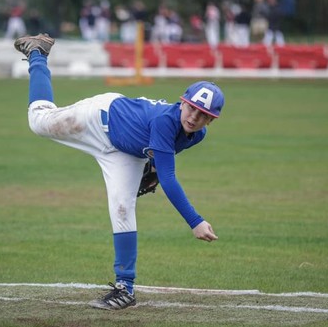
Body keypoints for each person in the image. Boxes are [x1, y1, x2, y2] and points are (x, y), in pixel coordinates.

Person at [14, 34, 224, 310]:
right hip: (99, 119)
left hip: (125, 152)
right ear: (182, 102)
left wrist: (151, 169)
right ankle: (38, 53)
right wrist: (195, 221)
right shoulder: (165, 121)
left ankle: (125, 288)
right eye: (192, 108)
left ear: (210, 120)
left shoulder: (196, 135)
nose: (194, 117)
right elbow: (169, 178)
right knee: (38, 121)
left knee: (123, 209)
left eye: (202, 115)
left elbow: (159, 160)